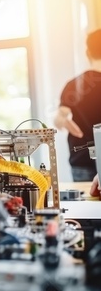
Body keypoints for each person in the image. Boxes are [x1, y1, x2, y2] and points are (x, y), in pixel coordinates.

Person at [54, 29, 101, 182]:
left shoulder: (74, 85)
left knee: (87, 204)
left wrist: (64, 120)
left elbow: (60, 118)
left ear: (88, 53)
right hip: (83, 161)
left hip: (82, 160)